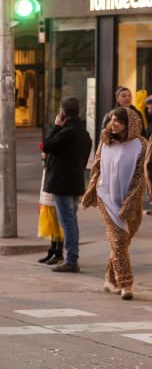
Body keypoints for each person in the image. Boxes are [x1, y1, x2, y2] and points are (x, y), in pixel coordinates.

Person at [82, 107, 145, 300]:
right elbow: (97, 168)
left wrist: (128, 204)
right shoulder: (106, 141)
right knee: (118, 242)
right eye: (112, 120)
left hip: (131, 203)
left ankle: (109, 280)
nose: (113, 124)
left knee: (122, 244)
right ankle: (126, 285)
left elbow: (139, 177)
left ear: (129, 124)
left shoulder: (141, 145)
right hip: (106, 198)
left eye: (118, 121)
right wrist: (91, 192)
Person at [42, 97, 93, 273]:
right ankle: (72, 256)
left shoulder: (66, 132)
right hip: (76, 182)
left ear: (63, 112)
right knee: (72, 220)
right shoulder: (84, 134)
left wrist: (56, 126)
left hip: (62, 184)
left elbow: (47, 145)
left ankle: (72, 259)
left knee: (68, 222)